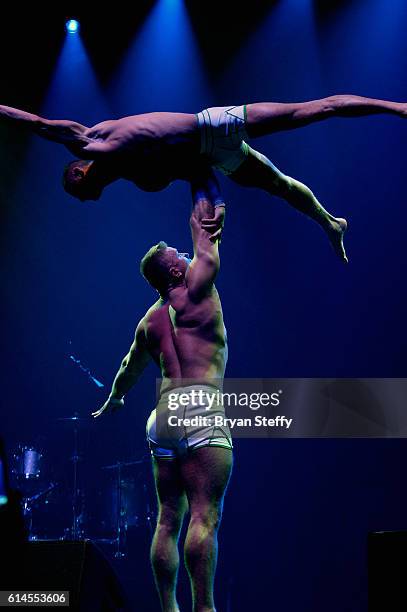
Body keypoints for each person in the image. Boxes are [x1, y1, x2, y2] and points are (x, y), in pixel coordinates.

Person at [1, 95, 406, 262]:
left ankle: (397, 107)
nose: (89, 200)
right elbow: (195, 172)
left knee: (311, 111)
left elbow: (35, 123)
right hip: (213, 156)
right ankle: (331, 223)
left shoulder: (93, 142)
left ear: (77, 173)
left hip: (214, 127)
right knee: (279, 186)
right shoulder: (138, 175)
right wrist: (218, 204)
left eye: (81, 193)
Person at [92, 172, 232, 612]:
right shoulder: (197, 287)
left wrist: (113, 399)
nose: (185, 253)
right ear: (175, 268)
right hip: (200, 406)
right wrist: (205, 178)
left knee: (167, 516)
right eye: (179, 253)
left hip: (162, 415)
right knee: (204, 514)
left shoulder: (148, 322)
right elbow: (203, 225)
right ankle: (204, 609)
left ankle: (168, 608)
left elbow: (126, 369)